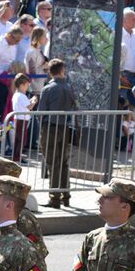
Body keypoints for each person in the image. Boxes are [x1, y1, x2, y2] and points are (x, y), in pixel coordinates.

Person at [34, 58, 77, 208]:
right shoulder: (69, 88)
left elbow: (40, 112)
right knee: (64, 162)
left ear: (50, 72)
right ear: (62, 71)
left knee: (53, 163)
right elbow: (74, 107)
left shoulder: (48, 89)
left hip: (50, 127)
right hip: (65, 127)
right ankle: (66, 196)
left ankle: (54, 198)